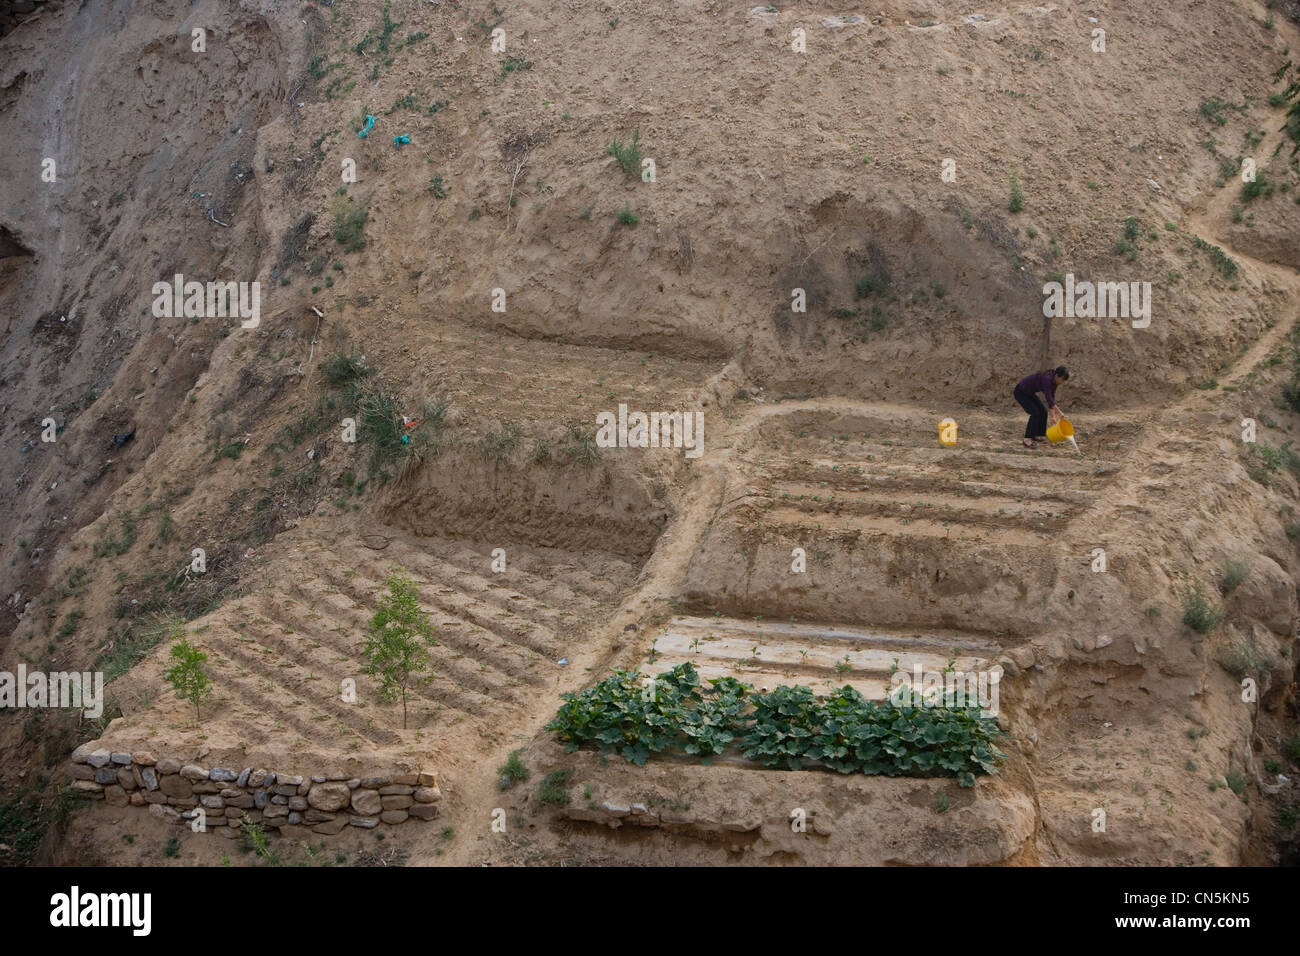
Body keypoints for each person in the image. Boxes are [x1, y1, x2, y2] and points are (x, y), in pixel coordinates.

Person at [1013, 365, 1069, 449]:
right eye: (1062, 379)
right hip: (1021, 392)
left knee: (1043, 411)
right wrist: (1059, 412)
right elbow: (1049, 399)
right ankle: (1027, 439)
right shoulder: (1047, 379)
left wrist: (1053, 417)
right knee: (1035, 413)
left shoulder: (1054, 382)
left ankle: (1038, 434)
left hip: (1029, 393)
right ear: (1057, 376)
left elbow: (1052, 399)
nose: (1062, 382)